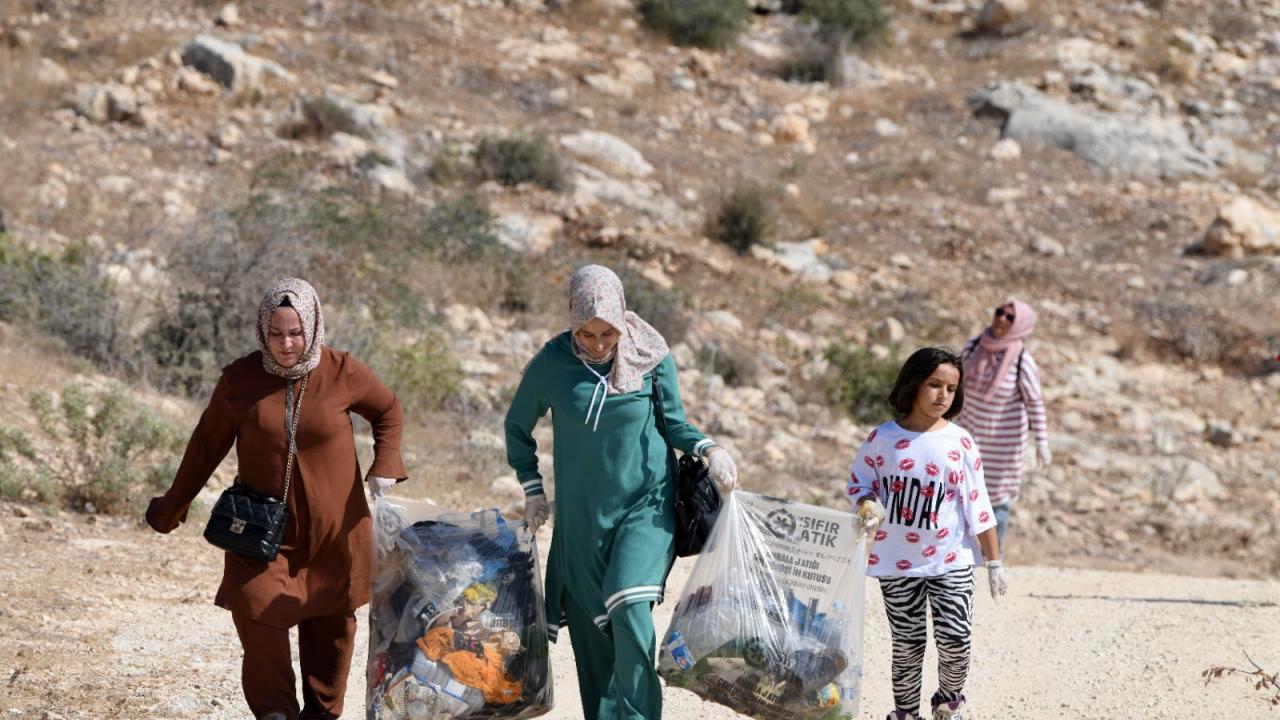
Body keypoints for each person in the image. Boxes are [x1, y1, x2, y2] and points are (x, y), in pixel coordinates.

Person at [145, 278, 406, 720]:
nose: (286, 344)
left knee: (331, 628)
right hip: (263, 534)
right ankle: (274, 711)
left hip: (334, 533)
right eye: (276, 333)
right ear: (262, 330)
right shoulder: (240, 380)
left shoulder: (342, 371)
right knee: (254, 608)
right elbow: (206, 444)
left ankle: (322, 713)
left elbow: (388, 410)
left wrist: (385, 465)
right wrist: (173, 504)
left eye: (296, 332)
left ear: (314, 327)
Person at [504, 264, 737, 720]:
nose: (598, 344)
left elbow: (674, 423)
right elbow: (517, 427)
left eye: (608, 333)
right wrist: (532, 489)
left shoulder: (649, 353)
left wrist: (711, 449)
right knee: (594, 642)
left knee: (629, 603)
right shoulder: (552, 362)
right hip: (582, 521)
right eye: (587, 334)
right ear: (573, 319)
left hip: (646, 507)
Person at [847, 347, 1008, 720]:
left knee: (956, 639)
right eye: (934, 384)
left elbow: (978, 504)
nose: (942, 395)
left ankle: (948, 702)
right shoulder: (881, 439)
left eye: (951, 388)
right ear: (913, 383)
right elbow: (859, 486)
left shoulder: (960, 443)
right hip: (896, 562)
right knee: (907, 645)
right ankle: (904, 713)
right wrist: (867, 505)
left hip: (950, 559)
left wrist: (995, 562)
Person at [955, 299, 1050, 551]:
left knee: (997, 501)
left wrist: (1042, 442)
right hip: (969, 435)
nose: (1001, 319)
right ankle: (959, 557)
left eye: (1010, 317)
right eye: (1000, 313)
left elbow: (1035, 402)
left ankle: (992, 559)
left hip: (1003, 446)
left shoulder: (1022, 361)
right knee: (961, 493)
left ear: (1020, 325)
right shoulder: (973, 347)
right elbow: (954, 383)